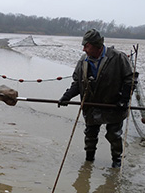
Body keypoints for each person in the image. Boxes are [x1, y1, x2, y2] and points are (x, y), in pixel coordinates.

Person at [58, 29, 136, 168]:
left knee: (114, 135)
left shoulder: (118, 57)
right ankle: (89, 161)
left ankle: (117, 161)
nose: (84, 49)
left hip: (113, 105)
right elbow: (77, 83)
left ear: (97, 46)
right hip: (91, 105)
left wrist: (124, 99)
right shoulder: (83, 60)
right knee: (90, 134)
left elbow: (130, 80)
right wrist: (67, 96)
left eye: (86, 46)